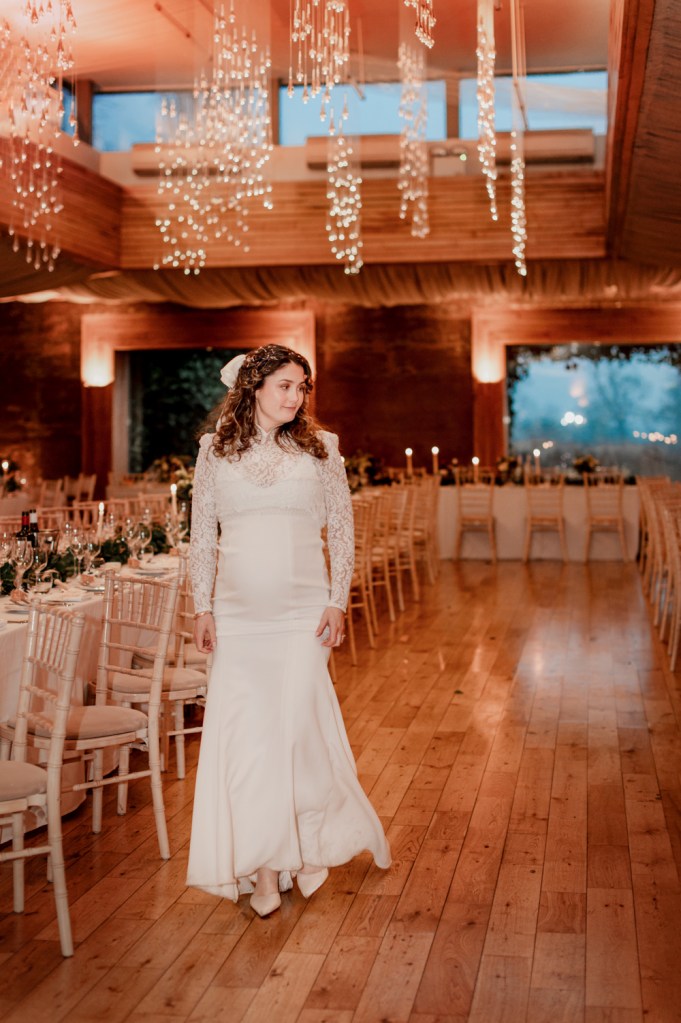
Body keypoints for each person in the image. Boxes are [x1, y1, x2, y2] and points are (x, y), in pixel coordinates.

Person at [186, 344, 391, 917]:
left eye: (302, 387)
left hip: (303, 615)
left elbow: (344, 532)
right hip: (238, 617)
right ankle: (267, 869)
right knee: (252, 741)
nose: (295, 396)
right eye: (284, 385)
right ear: (252, 387)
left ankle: (297, 844)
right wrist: (202, 606)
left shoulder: (321, 449)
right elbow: (202, 535)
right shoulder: (213, 452)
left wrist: (337, 601)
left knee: (295, 730)